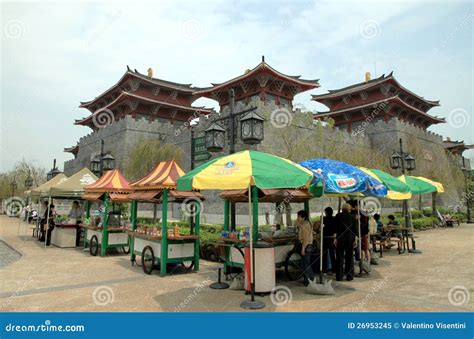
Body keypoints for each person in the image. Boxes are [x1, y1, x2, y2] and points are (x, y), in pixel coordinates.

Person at [335, 204, 357, 281]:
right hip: (350, 238)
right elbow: (355, 229)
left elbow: (336, 228)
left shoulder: (338, 216)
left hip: (340, 238)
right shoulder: (353, 216)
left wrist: (335, 238)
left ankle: (339, 276)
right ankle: (349, 276)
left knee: (339, 257)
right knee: (350, 257)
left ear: (342, 209)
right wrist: (355, 239)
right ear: (349, 209)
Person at [295, 210, 314, 286]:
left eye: (299, 217)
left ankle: (308, 281)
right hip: (307, 245)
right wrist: (298, 220)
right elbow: (295, 223)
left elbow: (305, 239)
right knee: (306, 263)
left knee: (305, 264)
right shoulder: (304, 223)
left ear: (303, 217)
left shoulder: (305, 225)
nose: (297, 218)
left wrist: (303, 249)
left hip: (306, 246)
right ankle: (310, 279)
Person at [322, 207, 337, 274]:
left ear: (326, 212)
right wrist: (334, 239)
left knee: (324, 254)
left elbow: (321, 228)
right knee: (332, 254)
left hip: (325, 238)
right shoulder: (334, 219)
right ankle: (334, 269)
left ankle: (324, 270)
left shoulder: (324, 219)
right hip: (331, 238)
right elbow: (335, 229)